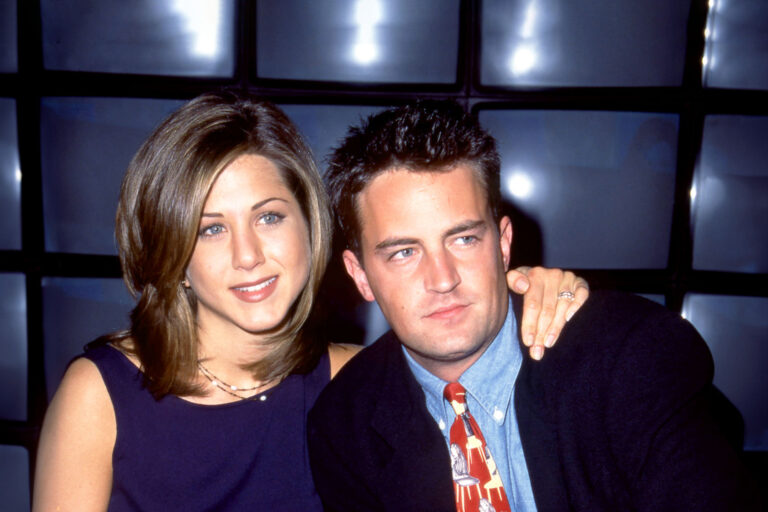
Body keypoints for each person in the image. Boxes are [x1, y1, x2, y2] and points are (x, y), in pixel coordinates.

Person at [32, 90, 588, 511]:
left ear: (309, 227)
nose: (249, 255)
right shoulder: (100, 394)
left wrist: (542, 298)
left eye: (269, 217)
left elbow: (478, 368)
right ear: (171, 251)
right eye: (210, 229)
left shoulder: (359, 383)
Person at [307, 100, 761, 511]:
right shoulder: (344, 427)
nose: (443, 279)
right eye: (404, 252)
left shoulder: (629, 356)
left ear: (503, 245)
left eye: (464, 239)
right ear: (360, 275)